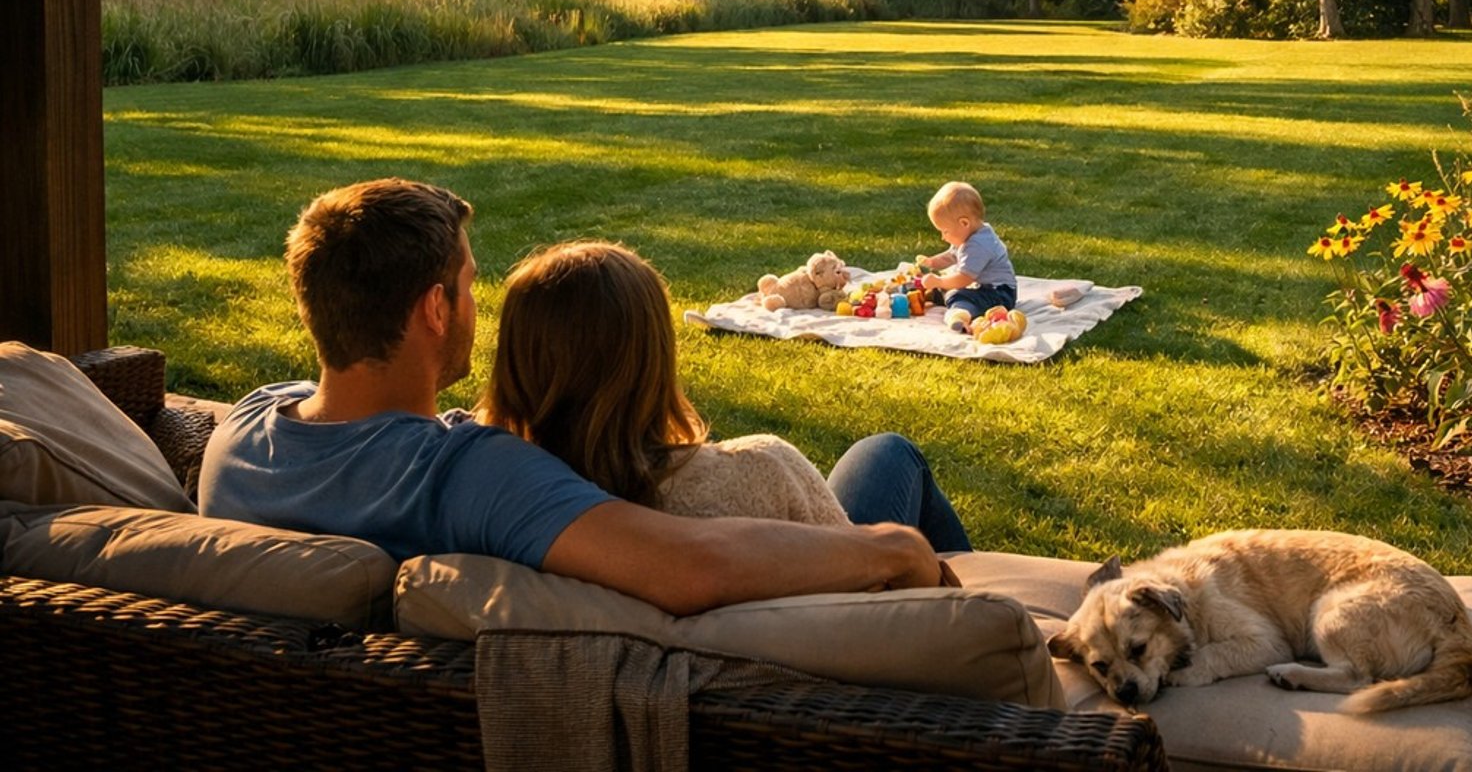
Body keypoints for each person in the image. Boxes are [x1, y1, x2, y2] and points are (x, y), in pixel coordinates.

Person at [197, 179, 943, 615]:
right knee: (888, 456)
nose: (476, 307)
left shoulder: (242, 433)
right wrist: (894, 547)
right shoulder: (466, 474)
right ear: (434, 309)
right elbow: (695, 565)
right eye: (469, 287)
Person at [479, 240, 970, 550]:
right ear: (652, 359)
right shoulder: (759, 473)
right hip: (829, 658)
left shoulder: (487, 500)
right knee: (888, 454)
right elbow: (868, 585)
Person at [916, 180, 1018, 333]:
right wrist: (931, 262)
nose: (943, 237)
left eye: (945, 231)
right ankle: (935, 294)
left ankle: (960, 315)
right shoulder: (969, 235)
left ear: (964, 223)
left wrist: (939, 281)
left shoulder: (979, 245)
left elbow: (964, 278)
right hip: (984, 288)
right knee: (948, 287)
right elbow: (951, 256)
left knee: (958, 295)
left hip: (998, 294)